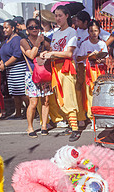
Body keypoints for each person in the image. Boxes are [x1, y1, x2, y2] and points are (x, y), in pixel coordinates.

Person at [41, 6, 81, 142]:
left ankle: (75, 128)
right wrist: (46, 53)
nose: (57, 18)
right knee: (60, 98)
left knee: (69, 97)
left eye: (60, 15)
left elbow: (69, 53)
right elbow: (54, 49)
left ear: (67, 16)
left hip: (66, 67)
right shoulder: (56, 33)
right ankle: (70, 124)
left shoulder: (72, 32)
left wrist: (51, 53)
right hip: (56, 68)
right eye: (56, 16)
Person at [21, 18, 54, 138]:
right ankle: (30, 127)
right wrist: (38, 43)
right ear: (27, 30)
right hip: (31, 74)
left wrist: (47, 53)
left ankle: (44, 125)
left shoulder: (44, 40)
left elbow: (51, 51)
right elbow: (30, 54)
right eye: (31, 27)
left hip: (44, 72)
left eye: (36, 26)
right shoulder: (24, 41)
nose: (34, 29)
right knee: (33, 102)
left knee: (45, 101)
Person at [76, 20, 108, 124]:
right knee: (90, 95)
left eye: (96, 30)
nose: (93, 33)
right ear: (88, 32)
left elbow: (105, 58)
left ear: (99, 31)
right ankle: (92, 117)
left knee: (100, 94)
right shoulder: (85, 44)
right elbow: (78, 58)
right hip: (89, 72)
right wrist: (89, 56)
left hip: (100, 71)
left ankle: (100, 114)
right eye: (91, 31)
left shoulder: (102, 43)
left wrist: (100, 59)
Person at [0, 19, 29, 119]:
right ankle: (18, 113)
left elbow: (17, 55)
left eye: (6, 28)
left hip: (18, 69)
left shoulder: (16, 39)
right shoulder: (7, 40)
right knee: (15, 93)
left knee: (22, 92)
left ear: (12, 28)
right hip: (10, 70)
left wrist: (5, 64)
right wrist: (3, 63)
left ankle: (31, 111)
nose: (4, 30)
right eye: (3, 28)